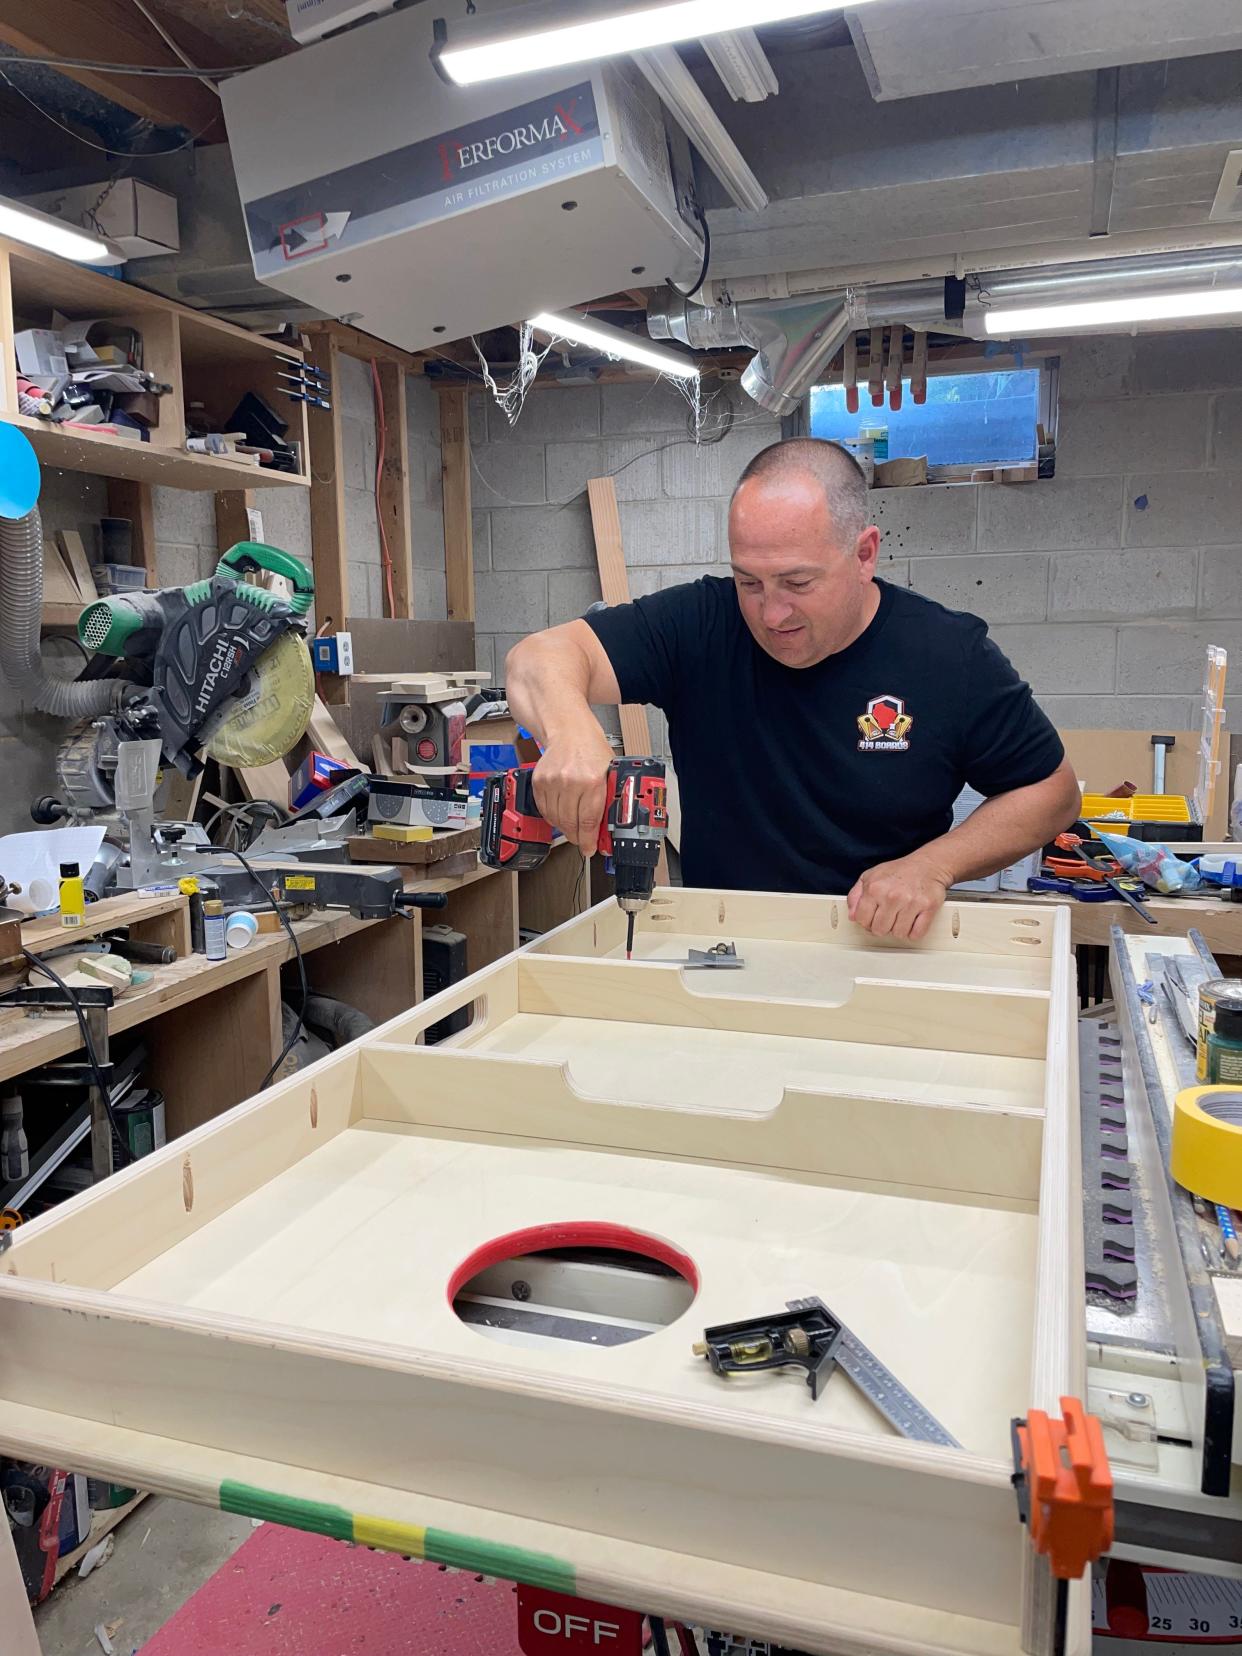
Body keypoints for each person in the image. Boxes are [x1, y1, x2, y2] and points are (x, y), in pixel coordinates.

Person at [505, 436, 1081, 940]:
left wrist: (933, 866)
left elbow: (1053, 793)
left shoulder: (947, 654)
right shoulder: (700, 624)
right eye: (748, 581)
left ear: (863, 554)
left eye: (797, 582)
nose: (771, 612)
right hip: (726, 946)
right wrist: (572, 732)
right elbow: (538, 657)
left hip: (880, 947)